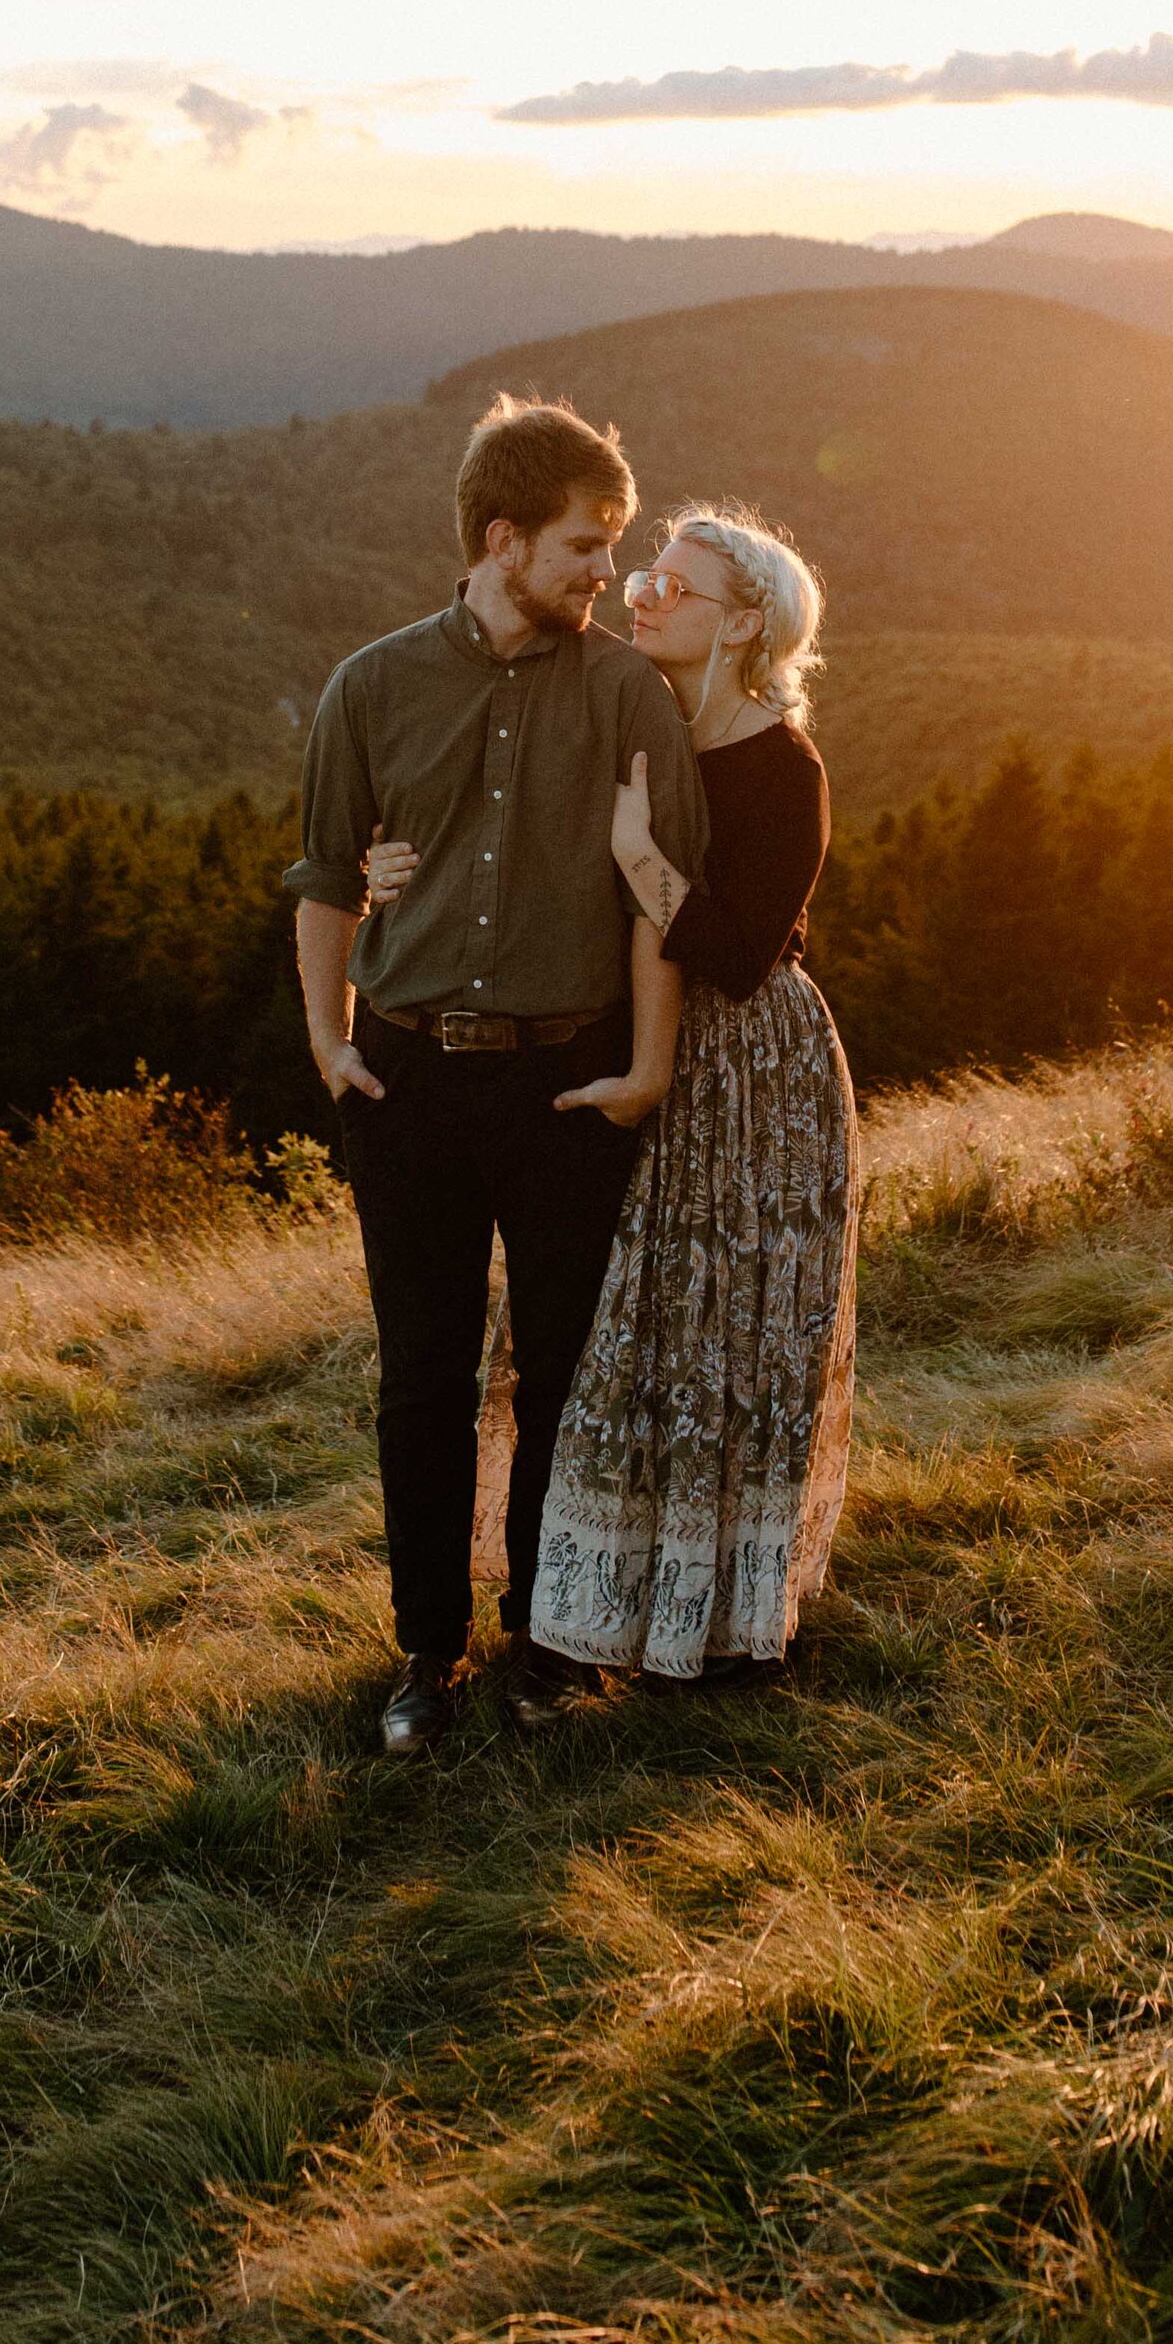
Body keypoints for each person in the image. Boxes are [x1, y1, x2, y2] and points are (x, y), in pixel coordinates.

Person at [285, 395, 707, 1754]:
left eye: (616, 548)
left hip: (565, 1085)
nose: (610, 577)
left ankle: (546, 1633)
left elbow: (666, 902)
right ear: (503, 536)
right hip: (406, 1084)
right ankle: (427, 1650)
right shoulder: (375, 683)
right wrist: (329, 1036)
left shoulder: (629, 692)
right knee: (423, 1376)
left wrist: (645, 1068)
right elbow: (325, 874)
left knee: (564, 1370)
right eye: (588, 547)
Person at [384, 503, 859, 1685]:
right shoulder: (632, 718)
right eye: (644, 575)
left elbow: (737, 952)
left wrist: (639, 847)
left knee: (728, 1343)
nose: (641, 595)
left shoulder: (778, 764)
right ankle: (581, 1616)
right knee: (625, 1343)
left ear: (748, 624)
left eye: (675, 588)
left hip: (751, 1072)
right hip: (626, 1049)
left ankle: (712, 1624)